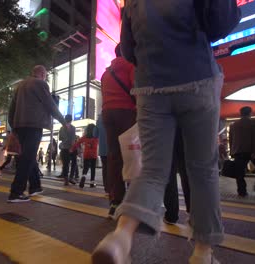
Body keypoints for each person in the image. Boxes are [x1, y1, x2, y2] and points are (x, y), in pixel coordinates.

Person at [92, 1, 241, 263]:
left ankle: (120, 237)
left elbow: (128, 49)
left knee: (151, 170)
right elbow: (221, 22)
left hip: (151, 88)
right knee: (202, 170)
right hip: (197, 80)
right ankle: (202, 253)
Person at [7, 65, 66, 202]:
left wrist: (14, 126)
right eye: (45, 75)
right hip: (34, 125)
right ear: (43, 74)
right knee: (27, 158)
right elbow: (50, 105)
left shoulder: (20, 85)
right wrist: (63, 122)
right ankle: (16, 192)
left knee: (28, 156)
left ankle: (35, 186)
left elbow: (12, 108)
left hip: (19, 125)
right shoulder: (40, 84)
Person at [101, 44, 136, 217]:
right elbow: (136, 90)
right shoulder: (131, 66)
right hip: (127, 112)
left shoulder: (105, 73)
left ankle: (115, 201)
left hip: (108, 114)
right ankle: (134, 198)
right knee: (132, 154)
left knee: (114, 157)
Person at [229, 106, 255, 196]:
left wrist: (232, 152)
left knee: (239, 173)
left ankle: (242, 191)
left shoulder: (233, 124)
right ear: (250, 113)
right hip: (250, 151)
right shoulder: (253, 122)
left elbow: (231, 139)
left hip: (237, 151)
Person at [163, 128, 191, 225]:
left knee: (168, 173)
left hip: (165, 127)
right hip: (186, 127)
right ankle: (193, 213)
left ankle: (171, 215)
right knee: (187, 171)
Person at [71, 124, 99, 188]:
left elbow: (77, 143)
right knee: (93, 169)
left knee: (85, 168)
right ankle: (92, 184)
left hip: (86, 154)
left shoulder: (85, 137)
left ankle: (82, 180)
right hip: (93, 155)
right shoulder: (96, 138)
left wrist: (72, 149)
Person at [59, 114, 77, 185]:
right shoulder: (73, 128)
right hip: (72, 148)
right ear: (71, 120)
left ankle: (66, 180)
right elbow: (73, 139)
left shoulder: (61, 128)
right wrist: (72, 148)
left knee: (65, 164)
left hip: (64, 148)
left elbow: (60, 138)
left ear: (65, 119)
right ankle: (71, 177)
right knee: (74, 163)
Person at [96, 114, 109, 193]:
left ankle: (107, 188)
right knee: (115, 168)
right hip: (114, 147)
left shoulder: (99, 119)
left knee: (105, 168)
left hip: (103, 149)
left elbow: (95, 134)